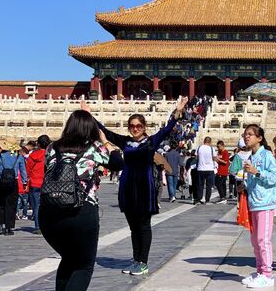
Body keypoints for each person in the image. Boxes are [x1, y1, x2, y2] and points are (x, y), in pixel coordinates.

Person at [82, 97, 187, 276]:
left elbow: (168, 128)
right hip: (128, 187)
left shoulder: (151, 141)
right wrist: (88, 115)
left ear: (144, 127)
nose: (135, 128)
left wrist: (177, 111)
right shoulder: (125, 142)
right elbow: (104, 130)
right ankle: (136, 259)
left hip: (145, 188)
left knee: (144, 226)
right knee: (133, 227)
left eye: (138, 126)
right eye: (132, 126)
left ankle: (143, 262)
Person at [39, 110, 122, 290]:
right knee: (83, 265)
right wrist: (105, 141)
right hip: (81, 212)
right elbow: (118, 163)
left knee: (69, 259)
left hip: (48, 214)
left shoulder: (52, 147)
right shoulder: (94, 148)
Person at [234, 124, 276, 288]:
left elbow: (274, 177)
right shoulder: (251, 157)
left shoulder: (267, 155)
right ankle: (260, 270)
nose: (247, 137)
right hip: (254, 202)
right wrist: (244, 186)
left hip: (265, 203)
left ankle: (268, 274)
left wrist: (257, 172)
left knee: (263, 239)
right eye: (245, 134)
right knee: (255, 240)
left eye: (250, 134)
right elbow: (252, 179)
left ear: (259, 138)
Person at [0, 139, 27, 235]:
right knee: (11, 205)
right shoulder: (18, 156)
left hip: (1, 182)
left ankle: (0, 227)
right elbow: (23, 171)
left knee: (0, 204)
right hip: (13, 182)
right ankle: (8, 228)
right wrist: (25, 182)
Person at [26, 135, 50, 234]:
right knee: (48, 206)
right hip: (48, 184)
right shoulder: (51, 155)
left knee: (36, 206)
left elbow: (28, 169)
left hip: (35, 183)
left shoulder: (33, 155)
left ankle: (38, 226)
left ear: (38, 144)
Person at [196, 136, 217, 205]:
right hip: (210, 169)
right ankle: (207, 200)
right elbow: (214, 158)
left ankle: (199, 199)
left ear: (204, 141)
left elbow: (197, 157)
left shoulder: (199, 148)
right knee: (209, 186)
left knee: (200, 185)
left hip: (200, 168)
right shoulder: (211, 148)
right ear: (210, 142)